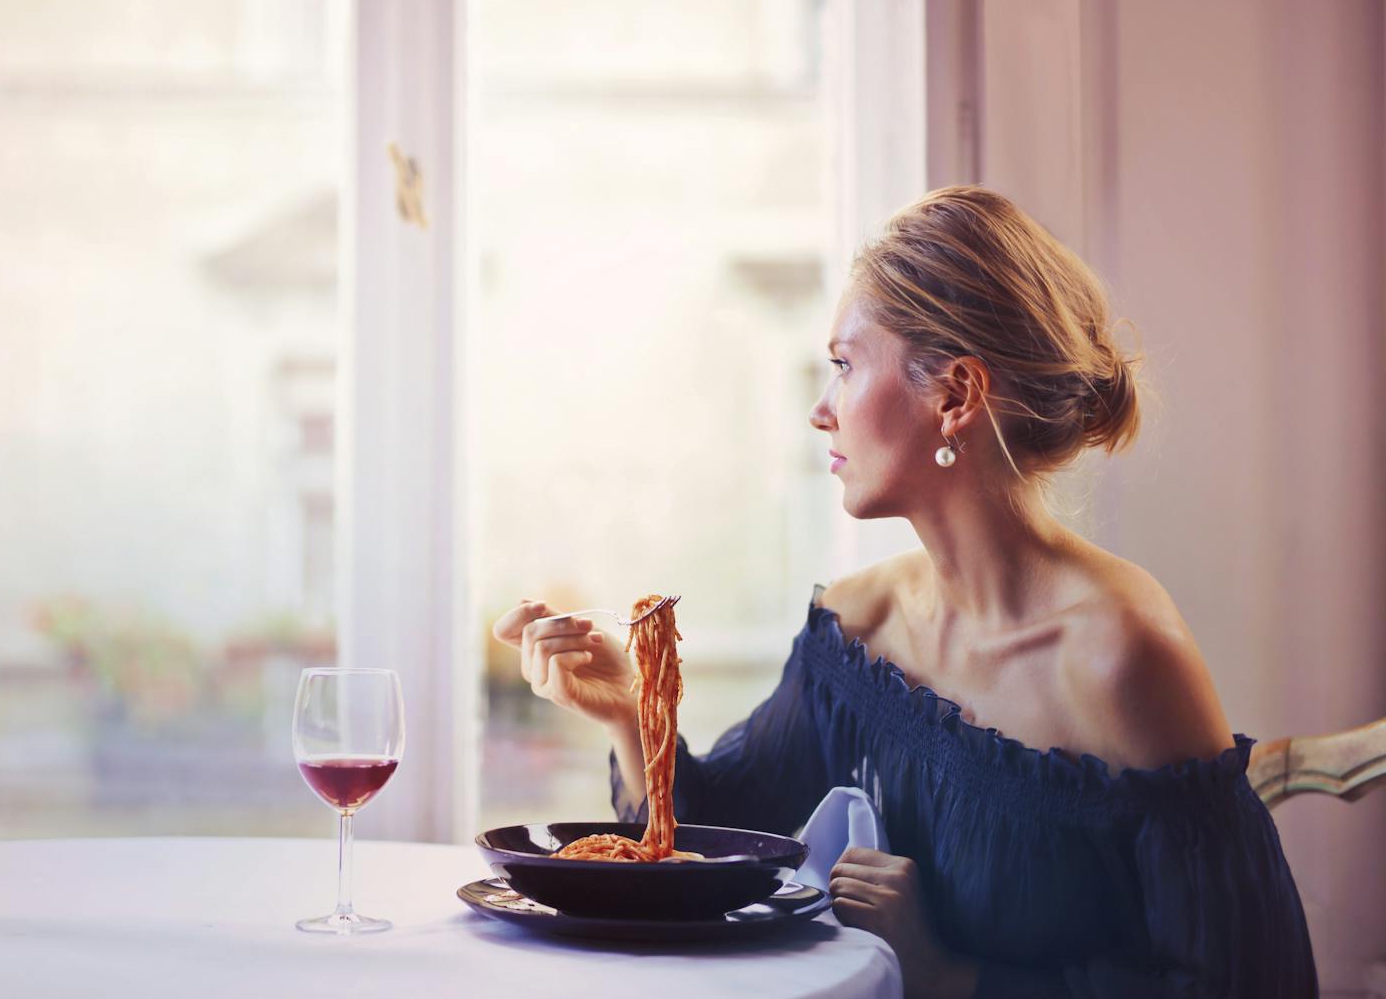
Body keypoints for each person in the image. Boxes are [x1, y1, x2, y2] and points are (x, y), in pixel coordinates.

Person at [493, 186, 1316, 997]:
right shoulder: (857, 630)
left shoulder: (1122, 653)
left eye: (845, 366)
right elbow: (717, 848)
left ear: (954, 394)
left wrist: (955, 977)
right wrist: (630, 708)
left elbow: (1248, 979)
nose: (821, 410)